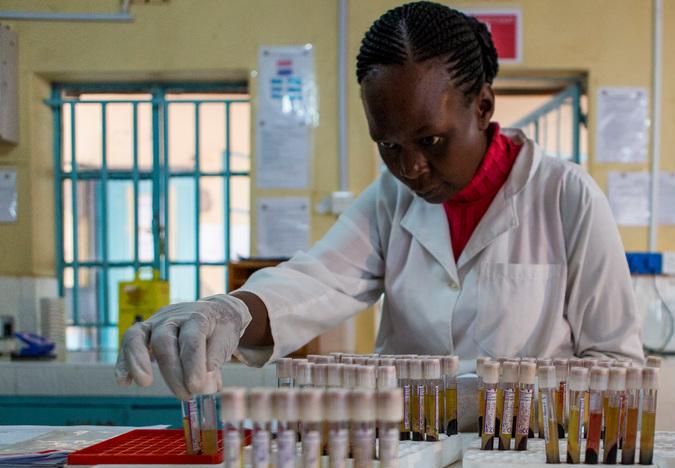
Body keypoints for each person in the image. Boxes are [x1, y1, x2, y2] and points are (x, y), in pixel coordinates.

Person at [116, 1, 643, 400]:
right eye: (388, 145)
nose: (410, 167)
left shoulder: (565, 197)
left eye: (431, 140)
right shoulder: (392, 201)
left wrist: (508, 407)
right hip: (411, 460)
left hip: (530, 464)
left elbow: (616, 360)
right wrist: (226, 311)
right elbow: (317, 280)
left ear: (482, 106)